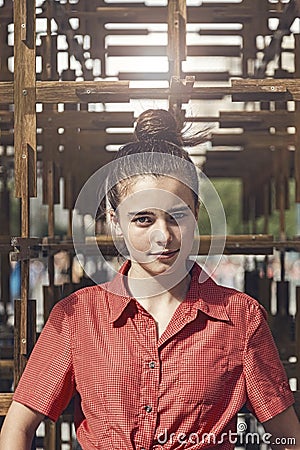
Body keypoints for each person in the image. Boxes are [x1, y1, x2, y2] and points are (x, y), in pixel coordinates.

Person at [0, 109, 299, 450]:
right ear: (115, 222)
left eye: (177, 217)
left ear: (197, 215)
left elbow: (288, 437)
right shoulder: (76, 317)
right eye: (143, 219)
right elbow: (18, 427)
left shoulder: (241, 318)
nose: (163, 236)